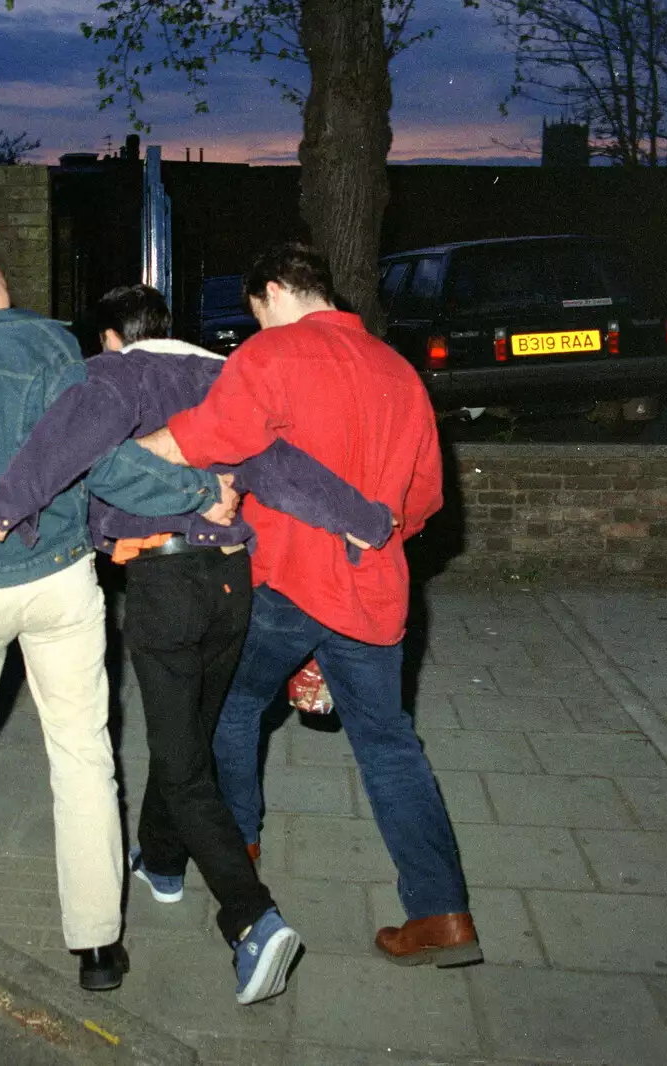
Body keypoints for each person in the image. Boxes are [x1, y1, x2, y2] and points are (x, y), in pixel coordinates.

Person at [0, 283, 395, 1005]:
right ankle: (161, 863)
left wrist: (10, 505)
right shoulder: (222, 377)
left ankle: (252, 921)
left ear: (109, 339)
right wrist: (363, 519)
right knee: (183, 733)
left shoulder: (116, 376)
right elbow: (283, 470)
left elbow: (70, 448)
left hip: (168, 587)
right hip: (231, 586)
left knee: (187, 764)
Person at [0, 247, 236, 992]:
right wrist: (194, 492)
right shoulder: (48, 349)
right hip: (60, 579)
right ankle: (97, 946)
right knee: (82, 752)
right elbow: (98, 461)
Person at [137, 243, 483, 968]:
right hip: (374, 590)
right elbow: (423, 499)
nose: (255, 324)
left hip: (288, 583)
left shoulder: (270, 358)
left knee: (230, 707)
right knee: (390, 745)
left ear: (269, 292)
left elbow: (202, 439)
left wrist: (121, 456)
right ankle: (442, 913)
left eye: (255, 310)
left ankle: (240, 856)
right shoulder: (398, 370)